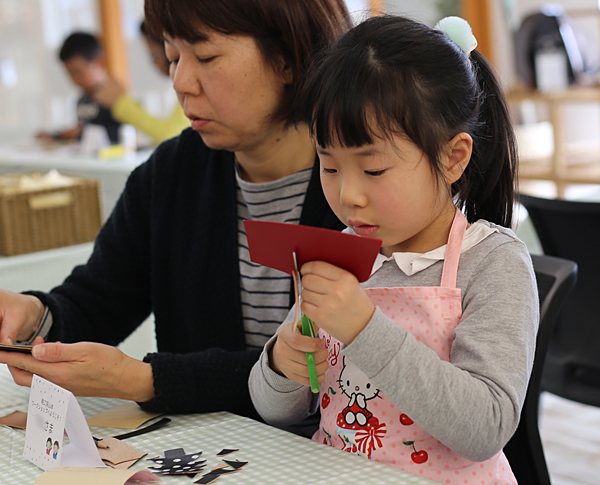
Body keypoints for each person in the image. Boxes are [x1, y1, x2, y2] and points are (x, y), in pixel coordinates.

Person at [0, 0, 350, 425]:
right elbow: (97, 302)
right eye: (171, 57)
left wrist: (148, 379)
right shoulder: (170, 175)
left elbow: (331, 375)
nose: (180, 82)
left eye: (205, 56)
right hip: (216, 451)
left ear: (290, 57)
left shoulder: (368, 182)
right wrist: (35, 316)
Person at [248, 15, 538, 484]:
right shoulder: (337, 254)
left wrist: (363, 329)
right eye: (329, 165)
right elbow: (274, 409)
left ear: (452, 157)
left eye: (374, 170)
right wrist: (282, 363)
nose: (348, 197)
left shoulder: (492, 262)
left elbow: (486, 427)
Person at [93, 21, 190, 145]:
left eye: (154, 55)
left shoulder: (189, 88)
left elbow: (171, 136)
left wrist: (120, 103)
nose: (154, 63)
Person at [36, 32, 122, 144]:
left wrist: (82, 132)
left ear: (99, 63)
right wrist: (58, 136)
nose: (74, 79)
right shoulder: (82, 101)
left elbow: (124, 136)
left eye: (78, 72)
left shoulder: (116, 98)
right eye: (69, 74)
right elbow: (81, 135)